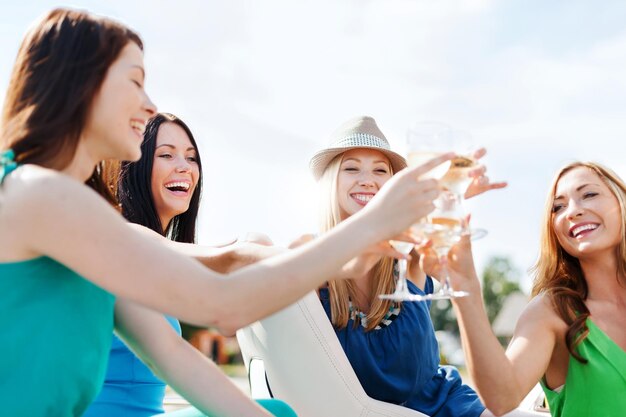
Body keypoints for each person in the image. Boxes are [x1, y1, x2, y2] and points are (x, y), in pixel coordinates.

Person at [0, 9, 451, 416]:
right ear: (81, 84)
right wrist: (371, 224)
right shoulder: (39, 194)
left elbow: (175, 357)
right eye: (136, 81)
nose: (151, 104)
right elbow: (222, 304)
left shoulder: (86, 223)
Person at [309, 116, 538, 417]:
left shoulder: (408, 253)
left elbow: (433, 224)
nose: (368, 179)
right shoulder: (311, 261)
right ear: (330, 182)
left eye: (380, 171)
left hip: (444, 405)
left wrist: (450, 192)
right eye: (352, 168)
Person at [85, 112, 272, 416]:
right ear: (134, 166)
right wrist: (281, 253)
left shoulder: (158, 261)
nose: (184, 167)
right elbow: (225, 259)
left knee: (273, 408)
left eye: (191, 158)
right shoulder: (125, 238)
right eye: (167, 155)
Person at [426, 161, 626, 417]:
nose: (573, 211)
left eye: (589, 194)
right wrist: (465, 287)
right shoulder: (552, 311)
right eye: (558, 207)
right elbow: (501, 398)